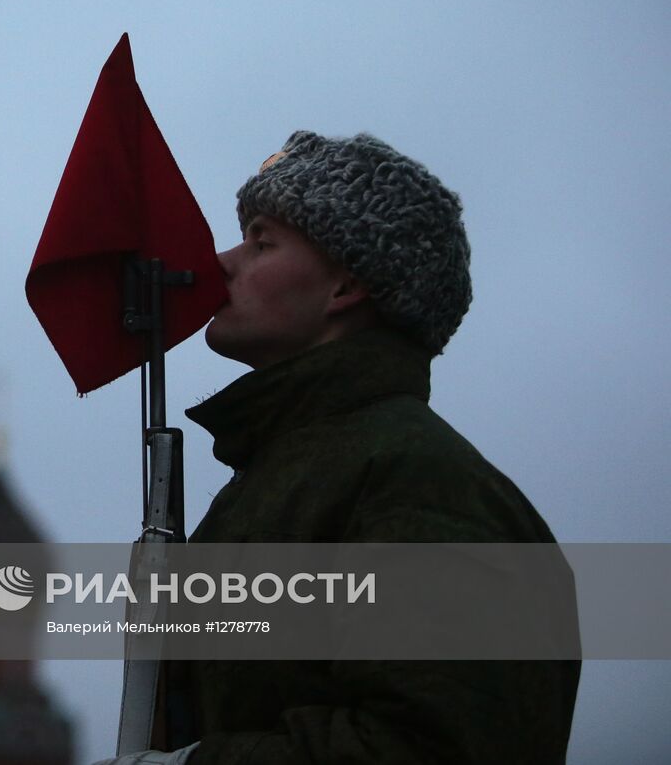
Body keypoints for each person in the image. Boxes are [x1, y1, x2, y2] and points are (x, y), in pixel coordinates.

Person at [94, 131, 580, 765]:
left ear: (345, 287)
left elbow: (434, 747)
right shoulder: (286, 477)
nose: (222, 261)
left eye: (262, 242)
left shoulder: (421, 483)